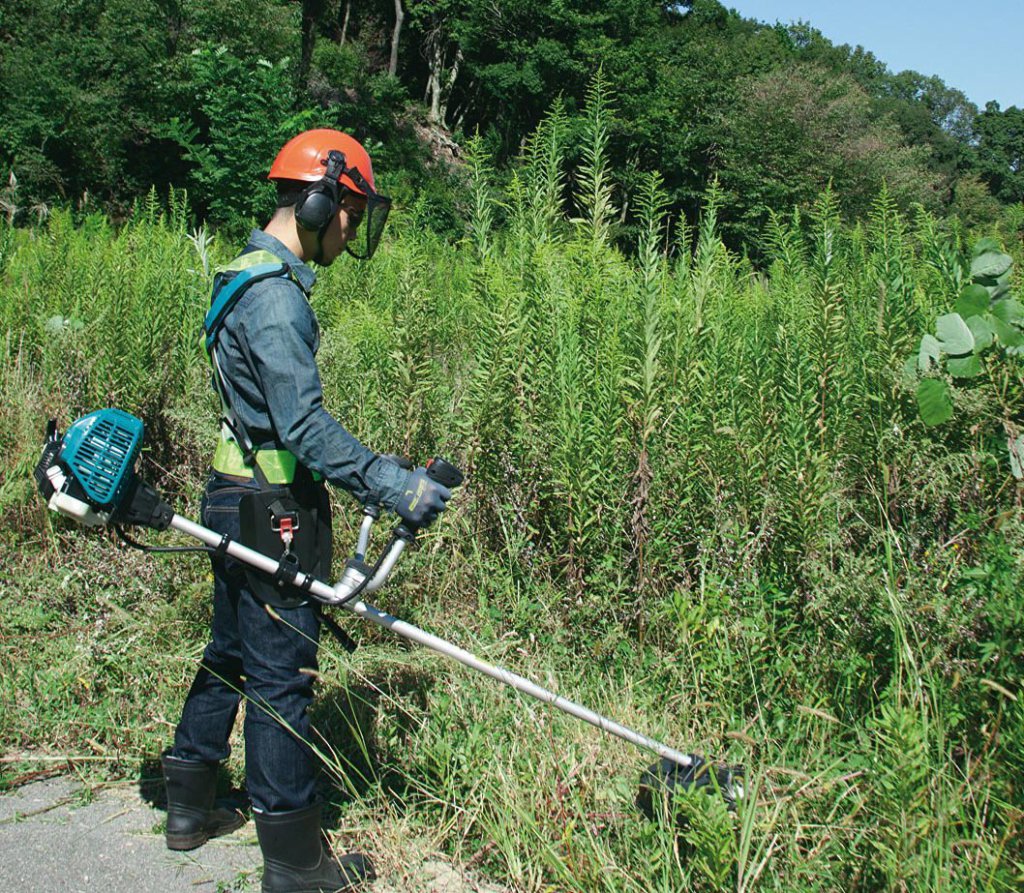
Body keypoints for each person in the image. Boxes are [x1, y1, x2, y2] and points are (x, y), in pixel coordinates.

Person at [162, 128, 451, 893]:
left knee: (229, 649)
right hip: (273, 505)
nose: (353, 230)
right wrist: (394, 485)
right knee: (283, 675)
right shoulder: (277, 299)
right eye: (351, 213)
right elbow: (304, 428)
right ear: (322, 200)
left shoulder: (241, 273)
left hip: (230, 492)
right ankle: (295, 860)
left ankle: (189, 799)